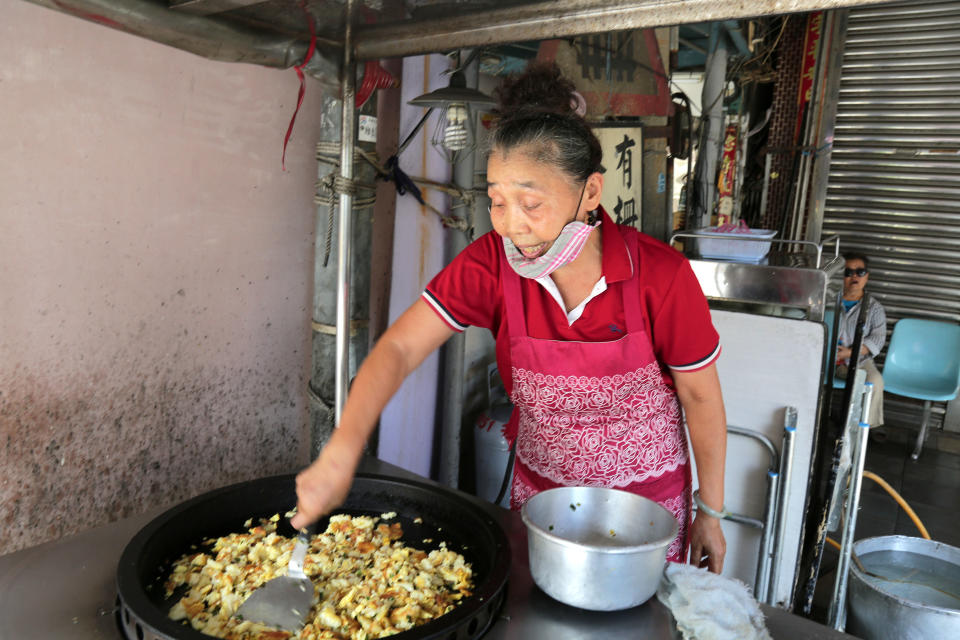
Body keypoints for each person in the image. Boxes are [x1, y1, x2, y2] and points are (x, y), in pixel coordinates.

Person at [291, 63, 728, 573]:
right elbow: (400, 348)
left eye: (531, 203)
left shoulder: (660, 274)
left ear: (590, 193)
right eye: (497, 201)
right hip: (540, 508)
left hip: (645, 516)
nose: (513, 226)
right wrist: (342, 450)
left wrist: (711, 511)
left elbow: (700, 395)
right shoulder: (490, 264)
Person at [835, 252, 886, 430]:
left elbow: (877, 340)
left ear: (867, 276)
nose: (854, 277)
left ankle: (862, 430)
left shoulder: (874, 308)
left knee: (874, 381)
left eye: (860, 272)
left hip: (858, 361)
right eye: (848, 272)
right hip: (825, 360)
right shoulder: (828, 300)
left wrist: (849, 352)